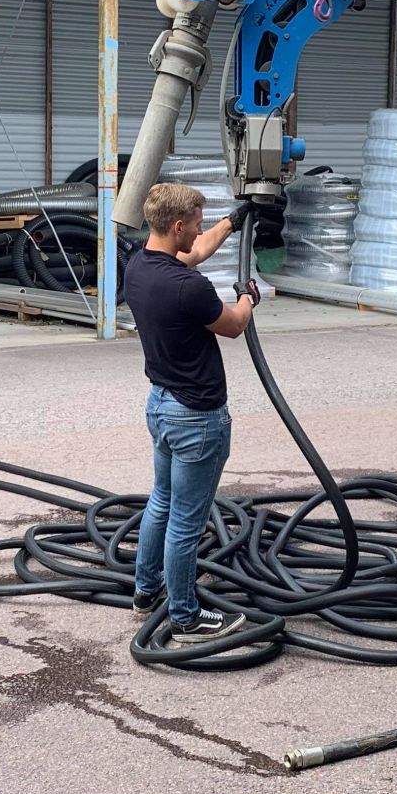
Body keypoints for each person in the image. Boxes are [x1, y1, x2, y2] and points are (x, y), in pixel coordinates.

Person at [121, 181, 268, 641]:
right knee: (186, 521)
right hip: (197, 417)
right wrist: (249, 296)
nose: (201, 231)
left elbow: (196, 252)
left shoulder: (140, 268)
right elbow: (234, 326)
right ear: (178, 225)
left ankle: (146, 591)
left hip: (162, 405)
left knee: (161, 502)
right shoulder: (190, 288)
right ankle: (185, 617)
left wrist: (232, 220)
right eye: (199, 223)